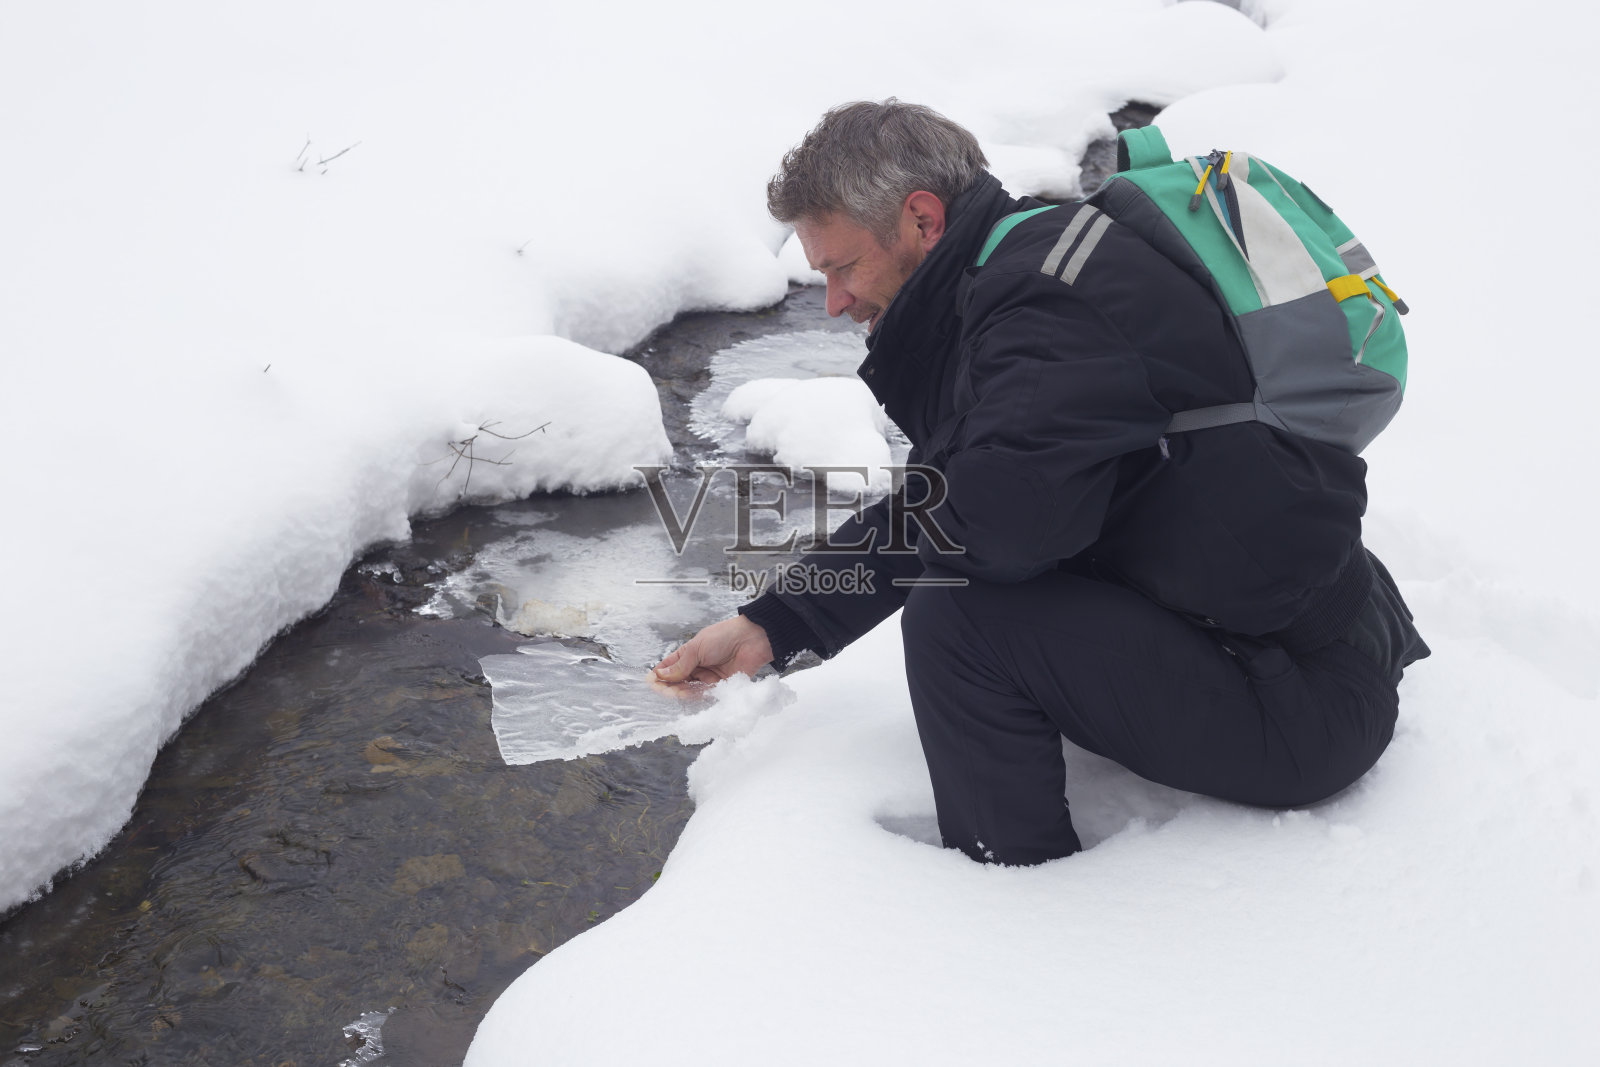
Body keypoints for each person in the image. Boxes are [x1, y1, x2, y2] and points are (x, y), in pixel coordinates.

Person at [651, 99, 1429, 865]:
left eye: (843, 268)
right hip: (1301, 623)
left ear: (922, 219)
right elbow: (950, 492)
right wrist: (775, 623)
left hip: (1301, 700)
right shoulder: (1029, 260)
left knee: (959, 616)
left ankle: (1014, 894)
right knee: (969, 553)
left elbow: (994, 527)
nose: (833, 302)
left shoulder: (1044, 308)